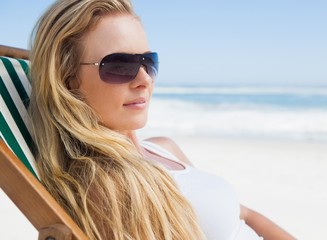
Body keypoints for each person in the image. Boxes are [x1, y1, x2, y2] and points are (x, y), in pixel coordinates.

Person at [29, 0, 296, 239]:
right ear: (68, 81)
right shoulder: (107, 187)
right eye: (120, 66)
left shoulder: (162, 148)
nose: (144, 79)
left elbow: (245, 214)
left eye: (148, 61)